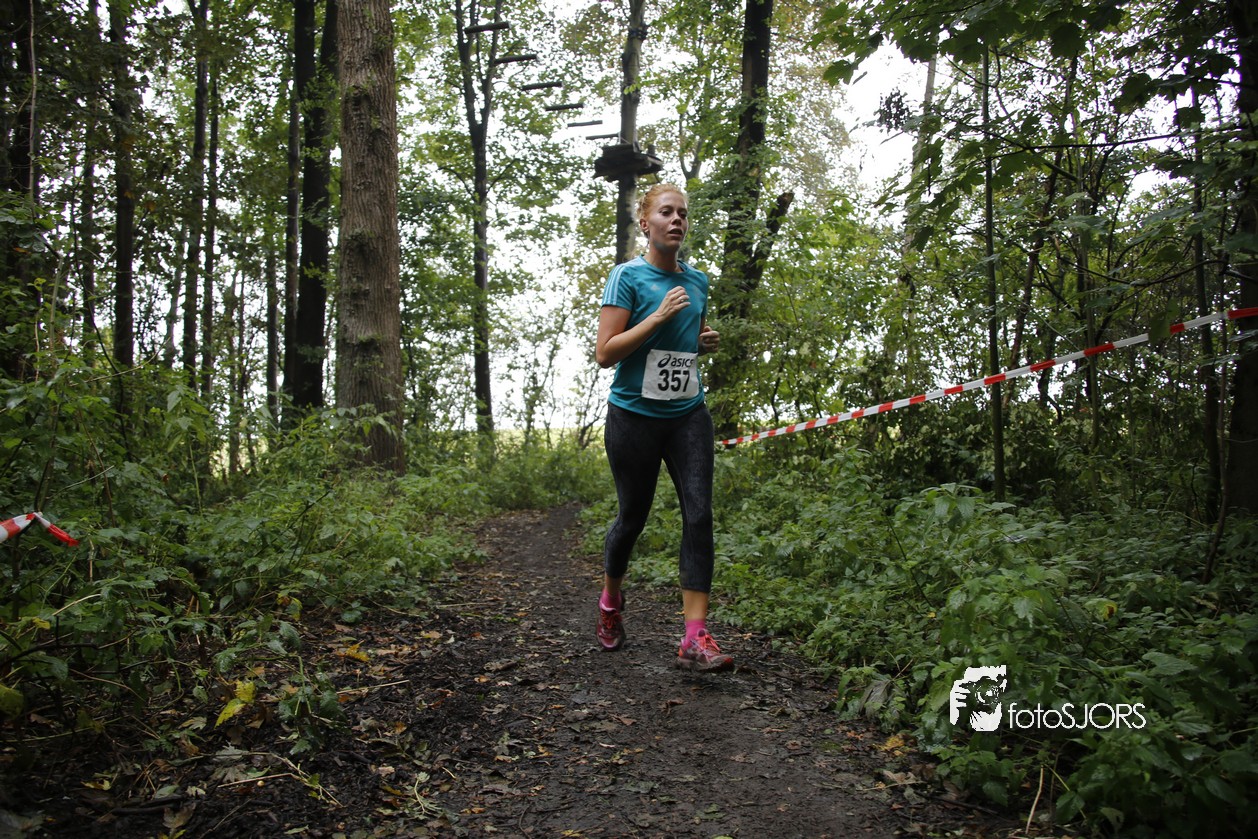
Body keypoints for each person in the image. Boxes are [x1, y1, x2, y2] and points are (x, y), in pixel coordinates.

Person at [593, 182, 732, 672]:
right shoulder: (626, 277)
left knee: (699, 514)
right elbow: (605, 353)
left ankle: (694, 637)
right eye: (667, 212)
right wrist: (656, 318)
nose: (677, 221)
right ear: (645, 223)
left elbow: (683, 342)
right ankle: (610, 603)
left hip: (687, 414)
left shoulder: (698, 282)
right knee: (632, 517)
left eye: (683, 214)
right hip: (633, 415)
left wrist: (701, 341)